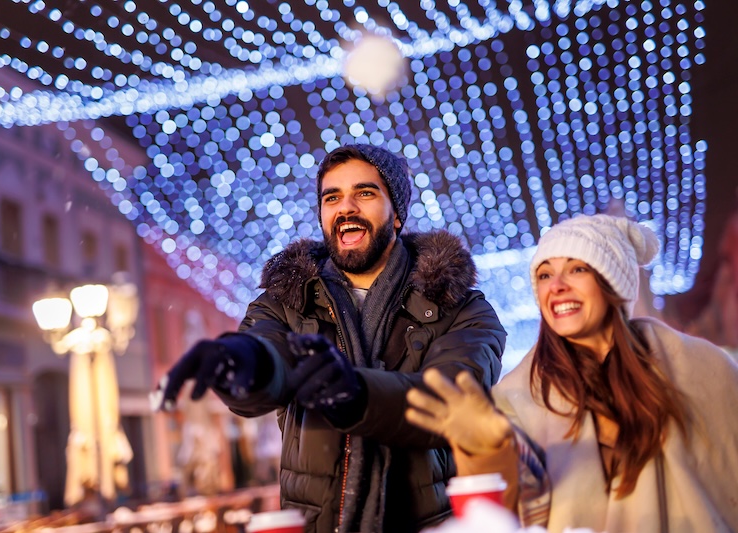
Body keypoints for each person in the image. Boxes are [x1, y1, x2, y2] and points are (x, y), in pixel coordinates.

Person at [155, 143, 507, 533]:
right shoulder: (287, 302)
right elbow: (272, 351)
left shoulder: (460, 307)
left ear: (397, 216)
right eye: (332, 197)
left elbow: (454, 397)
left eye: (366, 193)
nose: (346, 208)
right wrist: (242, 359)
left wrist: (356, 393)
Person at [406, 214, 738, 532]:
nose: (558, 286)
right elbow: (504, 514)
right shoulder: (517, 397)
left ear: (613, 281)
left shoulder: (702, 368)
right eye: (545, 275)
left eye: (577, 269)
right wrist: (486, 454)